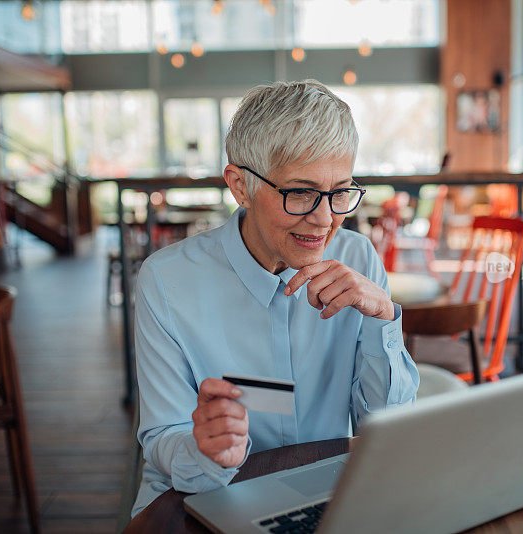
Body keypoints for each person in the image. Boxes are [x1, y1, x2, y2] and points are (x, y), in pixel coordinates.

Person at [131, 80, 419, 517]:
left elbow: (387, 429)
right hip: (204, 499)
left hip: (328, 495)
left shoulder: (358, 258)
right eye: (300, 192)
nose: (325, 219)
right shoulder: (167, 281)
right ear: (240, 185)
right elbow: (162, 439)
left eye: (340, 191)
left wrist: (383, 319)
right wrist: (206, 452)